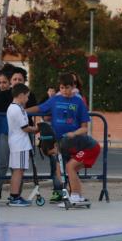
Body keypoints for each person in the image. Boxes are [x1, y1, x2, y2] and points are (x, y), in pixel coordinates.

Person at [26, 73, 90, 203]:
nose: (64, 91)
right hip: (57, 141)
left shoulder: (79, 102)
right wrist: (22, 110)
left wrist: (76, 134)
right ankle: (61, 192)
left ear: (73, 87)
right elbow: (40, 108)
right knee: (58, 169)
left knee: (72, 168)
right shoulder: (55, 99)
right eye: (61, 88)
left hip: (74, 141)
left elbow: (84, 125)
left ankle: (75, 194)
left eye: (67, 87)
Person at [39, 122, 100, 205]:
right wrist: (64, 187)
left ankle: (75, 195)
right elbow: (58, 171)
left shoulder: (64, 142)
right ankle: (78, 196)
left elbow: (80, 133)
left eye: (53, 152)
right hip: (88, 149)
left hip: (91, 147)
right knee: (72, 169)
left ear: (54, 145)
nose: (54, 155)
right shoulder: (59, 150)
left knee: (70, 167)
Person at [6, 83, 39, 206]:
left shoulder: (16, 108)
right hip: (19, 143)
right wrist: (36, 129)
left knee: (18, 170)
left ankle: (15, 196)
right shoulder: (16, 109)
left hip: (19, 143)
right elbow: (25, 128)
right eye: (27, 96)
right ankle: (14, 197)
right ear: (20, 95)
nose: (28, 99)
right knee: (18, 171)